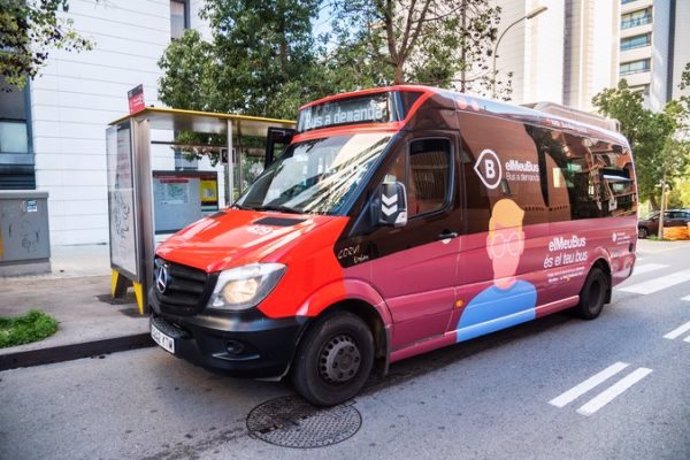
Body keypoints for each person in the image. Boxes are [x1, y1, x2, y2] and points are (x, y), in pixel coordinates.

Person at [456, 198, 537, 342]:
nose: (506, 252)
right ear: (489, 246)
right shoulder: (471, 309)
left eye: (513, 241)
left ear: (521, 244)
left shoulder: (532, 292)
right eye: (499, 242)